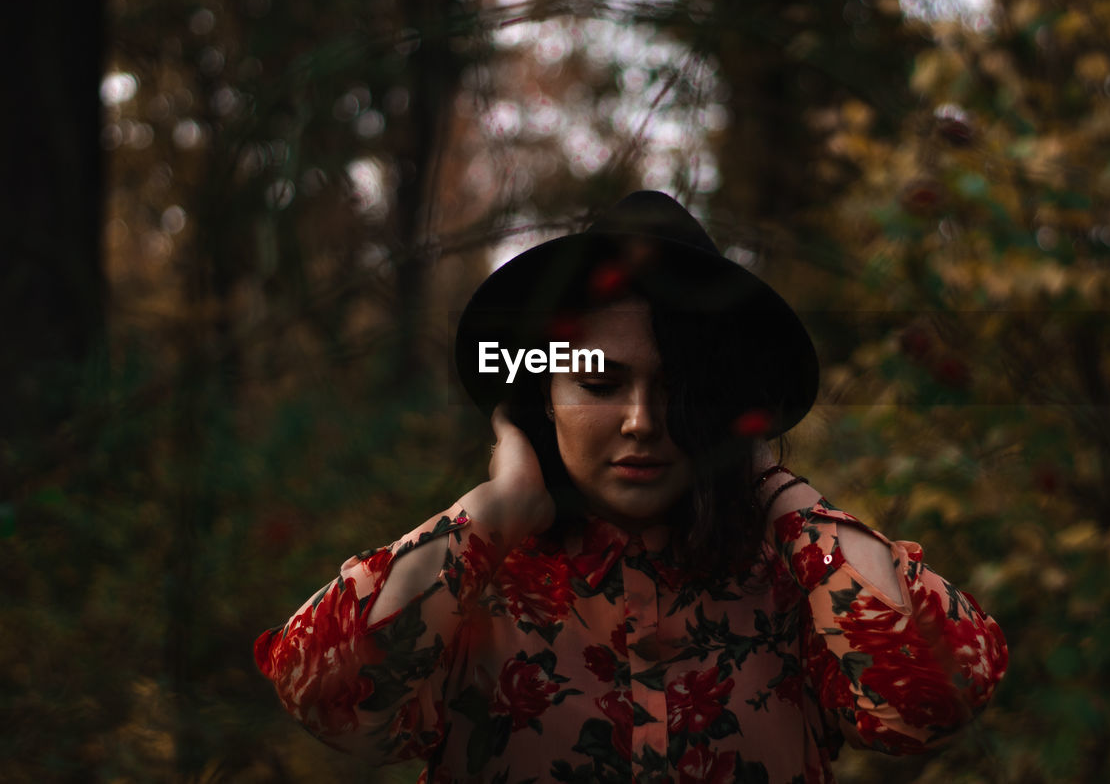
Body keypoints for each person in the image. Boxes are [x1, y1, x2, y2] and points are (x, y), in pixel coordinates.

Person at [254, 191, 1008, 783]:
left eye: (678, 386)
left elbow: (929, 702)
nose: (643, 420)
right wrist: (492, 509)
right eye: (601, 382)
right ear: (541, 396)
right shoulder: (473, 585)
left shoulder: (792, 581)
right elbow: (322, 692)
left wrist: (772, 485)